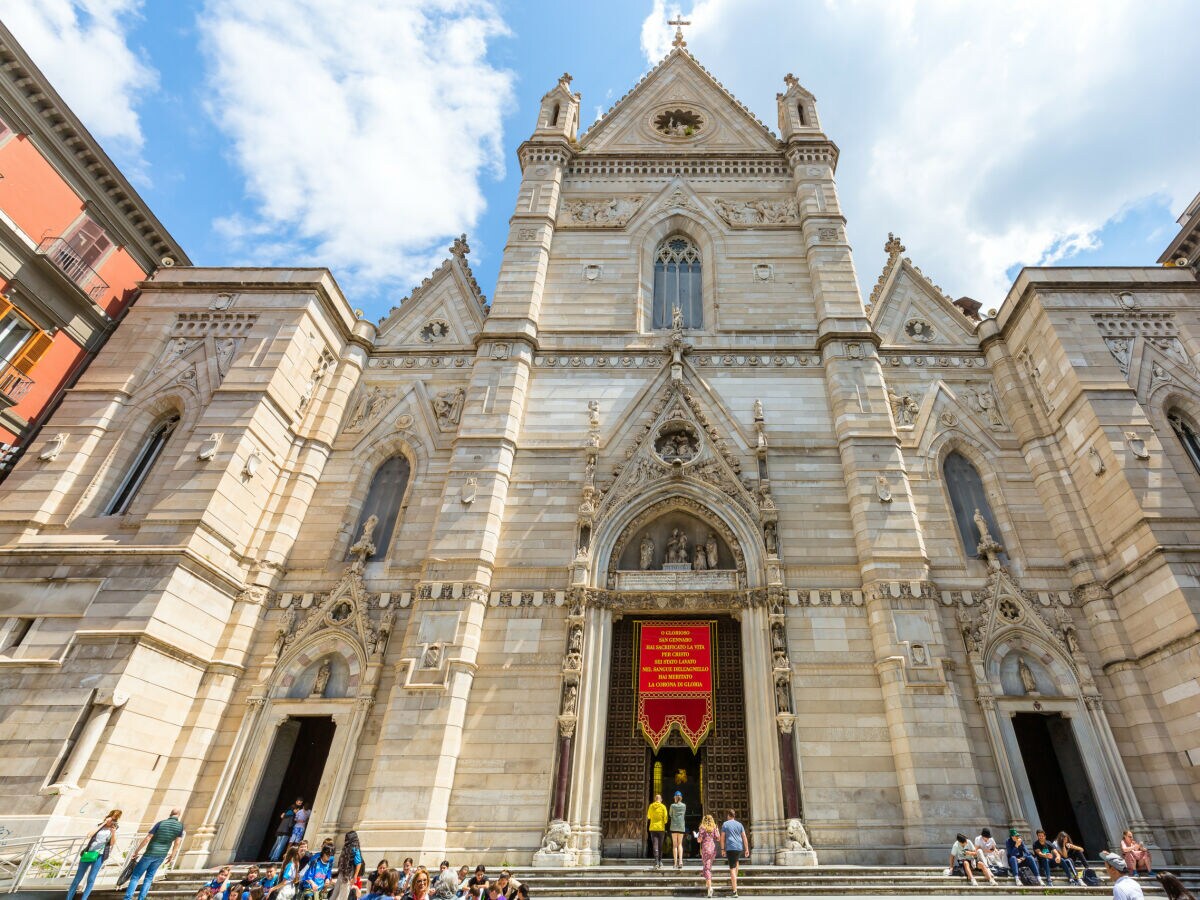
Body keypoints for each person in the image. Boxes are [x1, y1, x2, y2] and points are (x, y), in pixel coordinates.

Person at [123, 807, 185, 900]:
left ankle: (128, 898)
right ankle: (141, 898)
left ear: (170, 814)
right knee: (149, 878)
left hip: (150, 852)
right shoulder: (180, 826)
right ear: (179, 815)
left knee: (136, 876)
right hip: (161, 855)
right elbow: (177, 842)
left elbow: (148, 838)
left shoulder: (161, 823)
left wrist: (137, 851)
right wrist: (172, 855)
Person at [67, 810, 122, 900]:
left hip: (99, 855)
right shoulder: (99, 825)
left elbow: (112, 843)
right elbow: (89, 835)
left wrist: (113, 832)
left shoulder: (115, 829)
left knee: (91, 879)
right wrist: (103, 823)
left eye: (115, 819)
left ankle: (84, 899)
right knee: (77, 878)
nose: (112, 820)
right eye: (112, 817)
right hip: (88, 853)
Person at [719, 808, 749, 899]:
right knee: (736, 862)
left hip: (731, 848)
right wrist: (747, 849)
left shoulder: (725, 824)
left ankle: (734, 891)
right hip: (739, 847)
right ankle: (735, 880)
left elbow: (722, 837)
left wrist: (722, 849)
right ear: (734, 815)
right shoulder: (739, 824)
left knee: (732, 868)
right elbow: (744, 837)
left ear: (728, 815)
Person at [331, 831, 364, 900]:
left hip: (345, 873)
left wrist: (355, 876)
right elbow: (358, 862)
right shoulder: (353, 848)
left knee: (337, 894)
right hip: (346, 874)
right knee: (341, 895)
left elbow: (358, 863)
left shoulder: (350, 848)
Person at [696, 813, 720, 898]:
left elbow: (699, 840)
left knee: (706, 868)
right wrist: (717, 830)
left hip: (705, 848)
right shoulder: (714, 827)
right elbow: (718, 838)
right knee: (708, 866)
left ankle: (709, 888)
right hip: (712, 848)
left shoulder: (702, 828)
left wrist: (698, 835)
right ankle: (707, 884)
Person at [646, 793, 668, 870]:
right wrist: (663, 822)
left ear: (655, 799)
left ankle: (656, 862)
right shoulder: (663, 807)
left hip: (653, 828)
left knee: (655, 844)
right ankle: (660, 861)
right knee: (660, 845)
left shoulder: (651, 806)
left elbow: (648, 816)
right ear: (661, 800)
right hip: (661, 828)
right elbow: (665, 818)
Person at [669, 791, 687, 869]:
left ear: (675, 797)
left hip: (673, 826)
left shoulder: (672, 806)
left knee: (675, 845)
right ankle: (680, 861)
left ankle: (675, 863)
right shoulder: (684, 806)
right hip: (681, 826)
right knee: (680, 844)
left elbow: (670, 814)